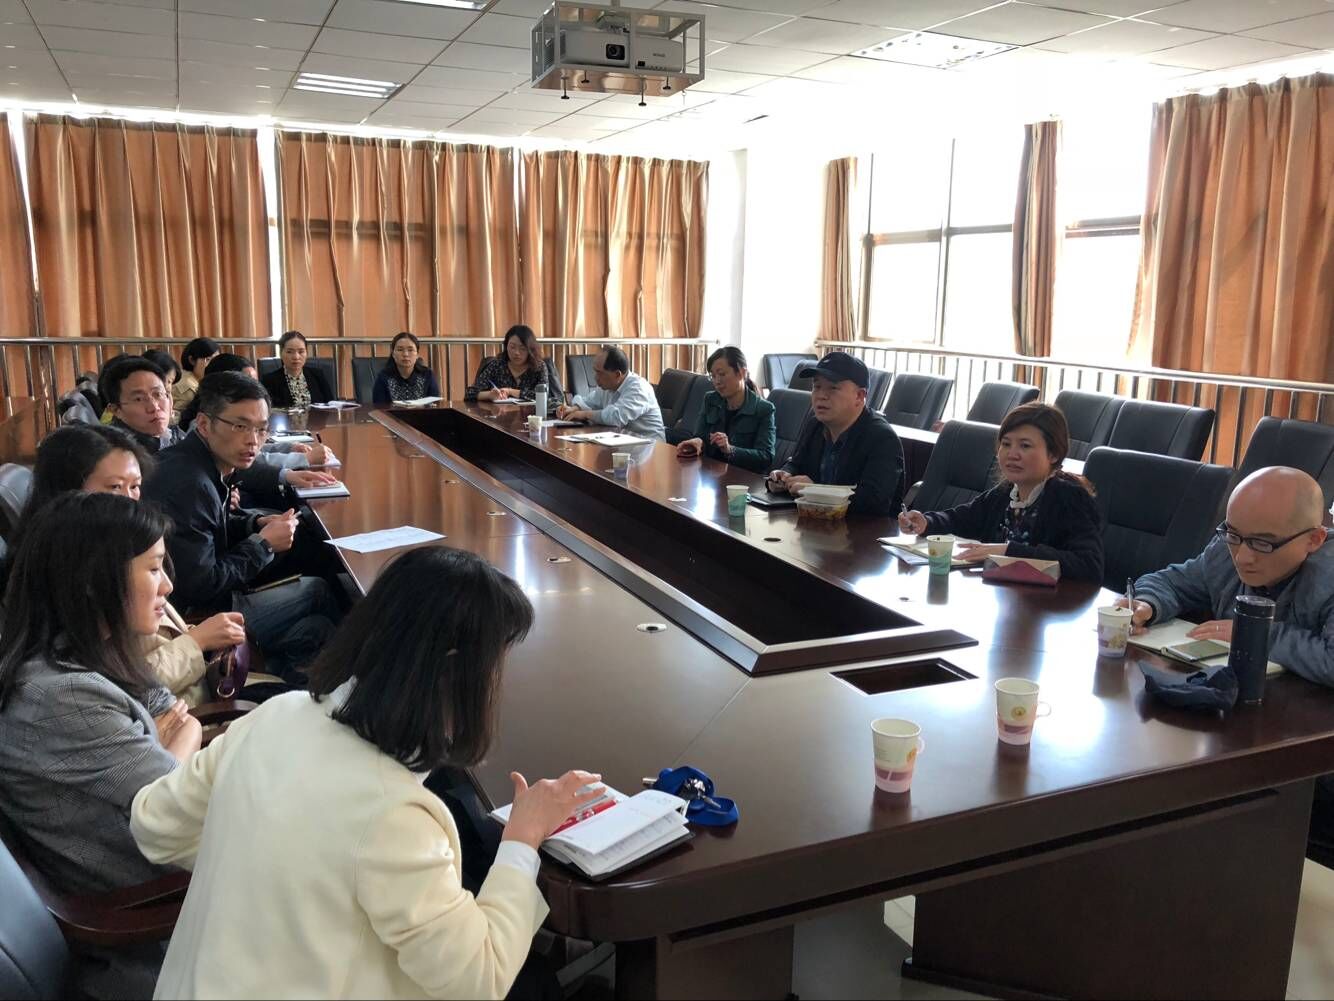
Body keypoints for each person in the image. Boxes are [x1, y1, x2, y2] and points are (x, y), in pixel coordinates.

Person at [132, 545, 601, 1000]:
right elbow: (481, 977)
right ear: (453, 672)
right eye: (494, 665)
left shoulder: (275, 715)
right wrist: (522, 839)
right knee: (531, 980)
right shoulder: (393, 813)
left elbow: (154, 824)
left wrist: (265, 863)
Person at [0, 492, 199, 998]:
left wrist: (173, 740)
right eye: (153, 568)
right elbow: (179, 804)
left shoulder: (91, 647)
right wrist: (174, 741)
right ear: (94, 581)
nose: (168, 585)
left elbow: (178, 718)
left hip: (167, 879)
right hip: (152, 931)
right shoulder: (62, 697)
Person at [12, 425, 249, 706]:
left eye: (135, 486)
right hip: (185, 712)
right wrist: (196, 643)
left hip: (196, 687)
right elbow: (108, 690)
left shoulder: (127, 544)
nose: (130, 499)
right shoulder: (68, 574)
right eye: (114, 487)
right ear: (68, 493)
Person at [142, 372, 340, 681]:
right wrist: (263, 544)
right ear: (204, 424)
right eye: (240, 426)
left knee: (317, 627)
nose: (253, 440)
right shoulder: (191, 483)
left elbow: (208, 528)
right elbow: (203, 585)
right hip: (198, 617)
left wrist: (254, 523)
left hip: (203, 599)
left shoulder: (196, 461)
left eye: (261, 429)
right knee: (319, 590)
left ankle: (275, 671)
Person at [1121, 466, 1333, 680]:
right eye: (1233, 534)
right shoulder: (1226, 548)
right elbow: (1173, 583)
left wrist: (1254, 634)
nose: (1241, 557)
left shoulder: (1328, 574)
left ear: (1314, 539)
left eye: (1262, 543)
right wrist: (1147, 604)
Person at [898, 403, 1104, 581]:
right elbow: (962, 518)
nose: (1012, 454)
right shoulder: (1006, 493)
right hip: (1004, 596)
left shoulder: (1071, 498)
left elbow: (1089, 565)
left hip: (1048, 606)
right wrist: (927, 522)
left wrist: (1008, 551)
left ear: (1054, 454)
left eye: (1025, 446)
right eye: (1006, 444)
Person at [765, 351, 903, 516]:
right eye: (817, 387)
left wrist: (816, 491)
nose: (821, 396)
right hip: (818, 523)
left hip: (864, 529)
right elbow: (797, 463)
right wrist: (783, 476)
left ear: (859, 396)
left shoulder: (882, 438)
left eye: (833, 388)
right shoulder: (815, 424)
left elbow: (872, 503)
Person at [180, 354, 336, 469]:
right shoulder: (203, 426)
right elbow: (255, 463)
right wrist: (305, 458)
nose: (253, 441)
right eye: (248, 383)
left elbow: (253, 452)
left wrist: (288, 447)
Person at [674, 346, 775, 474]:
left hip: (744, 478)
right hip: (711, 475)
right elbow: (700, 435)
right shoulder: (710, 399)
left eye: (722, 374)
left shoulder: (764, 409)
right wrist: (696, 442)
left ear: (742, 373)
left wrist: (730, 449)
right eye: (713, 376)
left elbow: (766, 457)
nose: (717, 381)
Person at [555, 345, 665, 440]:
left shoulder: (639, 388)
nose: (595, 378)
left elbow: (616, 417)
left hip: (650, 447)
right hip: (622, 442)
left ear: (617, 374)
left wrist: (585, 414)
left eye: (600, 373)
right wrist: (573, 408)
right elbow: (588, 401)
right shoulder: (609, 385)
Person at [466, 324, 564, 408]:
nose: (516, 353)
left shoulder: (539, 367)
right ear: (506, 346)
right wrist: (489, 395)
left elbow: (543, 396)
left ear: (530, 350)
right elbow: (469, 393)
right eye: (512, 347)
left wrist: (510, 391)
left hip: (531, 417)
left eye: (522, 348)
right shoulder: (497, 365)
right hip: (500, 418)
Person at [101, 355, 182, 452]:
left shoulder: (175, 436)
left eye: (158, 394)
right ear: (115, 410)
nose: (154, 407)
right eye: (138, 399)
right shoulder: (115, 453)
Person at [261, 330, 335, 409]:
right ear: (281, 353)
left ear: (306, 353)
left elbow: (331, 405)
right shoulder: (269, 381)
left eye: (301, 351)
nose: (296, 357)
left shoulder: (317, 375)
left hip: (317, 417)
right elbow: (268, 410)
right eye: (289, 352)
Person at [373, 331, 442, 405]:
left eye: (410, 350)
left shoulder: (427, 375)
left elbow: (435, 404)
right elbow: (379, 406)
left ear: (417, 354)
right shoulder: (383, 377)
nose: (405, 354)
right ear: (393, 354)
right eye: (400, 350)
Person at [173, 337, 220, 417]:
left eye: (216, 360)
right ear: (192, 360)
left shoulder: (192, 377)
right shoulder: (189, 387)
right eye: (208, 359)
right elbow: (177, 419)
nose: (214, 365)